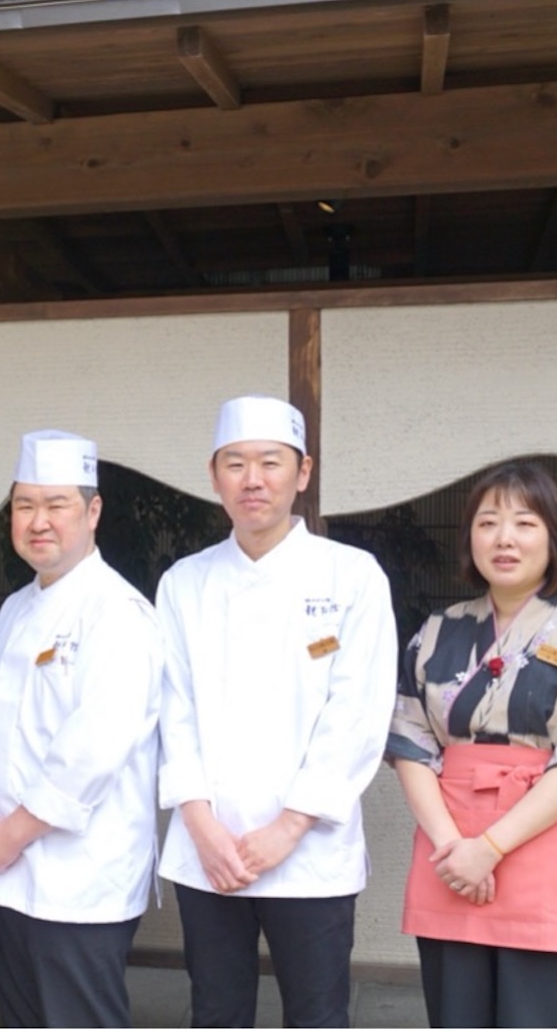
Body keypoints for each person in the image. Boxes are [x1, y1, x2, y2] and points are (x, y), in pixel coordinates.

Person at [156, 395, 396, 1028]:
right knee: (215, 1010)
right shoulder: (184, 581)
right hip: (208, 850)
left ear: (304, 472)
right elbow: (171, 707)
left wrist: (288, 827)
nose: (253, 479)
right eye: (235, 463)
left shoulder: (353, 575)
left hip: (310, 851)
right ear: (214, 477)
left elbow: (358, 711)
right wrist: (203, 826)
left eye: (270, 462)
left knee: (317, 1013)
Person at [388, 460, 557, 1028]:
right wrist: (455, 850)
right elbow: (410, 743)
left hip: (544, 840)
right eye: (487, 522)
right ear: (469, 536)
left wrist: (488, 849)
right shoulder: (436, 630)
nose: (503, 538)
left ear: (554, 538)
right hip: (450, 851)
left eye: (524, 523)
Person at [0, 430, 163, 1028]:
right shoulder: (20, 607)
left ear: (93, 511)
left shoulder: (118, 614)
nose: (38, 521)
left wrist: (10, 833)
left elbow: (93, 752)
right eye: (25, 505)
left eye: (57, 505)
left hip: (80, 878)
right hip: (6, 865)